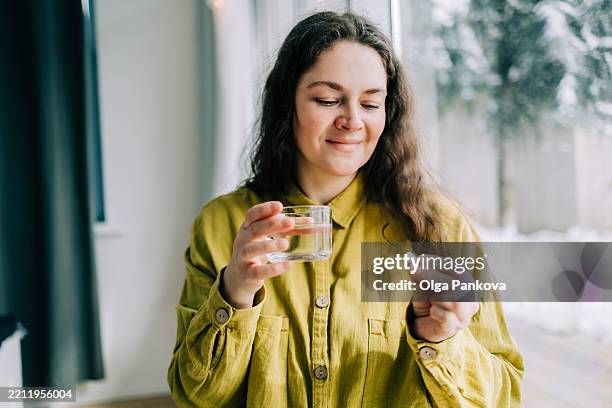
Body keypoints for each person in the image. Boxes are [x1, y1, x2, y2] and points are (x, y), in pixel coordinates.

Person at [167, 11, 524, 407]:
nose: (353, 121)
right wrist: (235, 293)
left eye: (371, 103)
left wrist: (443, 341)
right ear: (288, 104)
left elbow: (503, 396)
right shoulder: (222, 225)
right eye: (328, 100)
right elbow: (195, 395)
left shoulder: (439, 227)